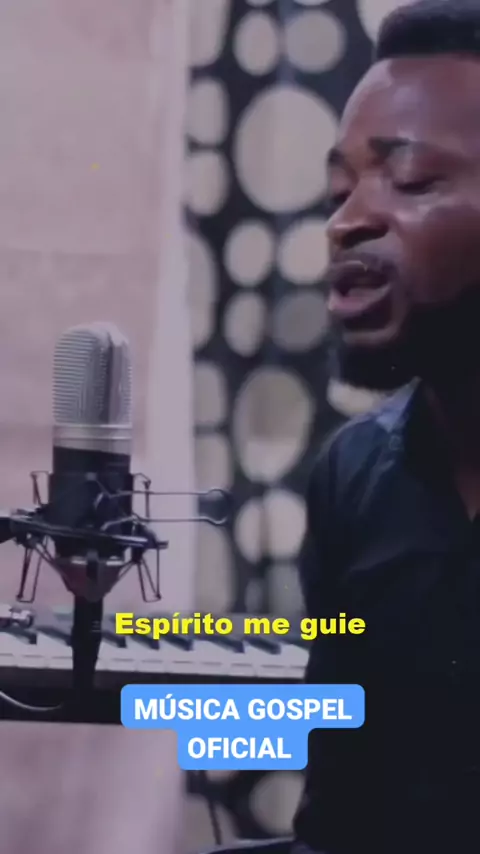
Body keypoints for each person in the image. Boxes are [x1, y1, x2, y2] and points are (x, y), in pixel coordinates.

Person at [292, 2, 480, 852]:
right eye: (340, 191)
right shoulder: (352, 476)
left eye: (411, 182)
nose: (346, 222)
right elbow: (337, 809)